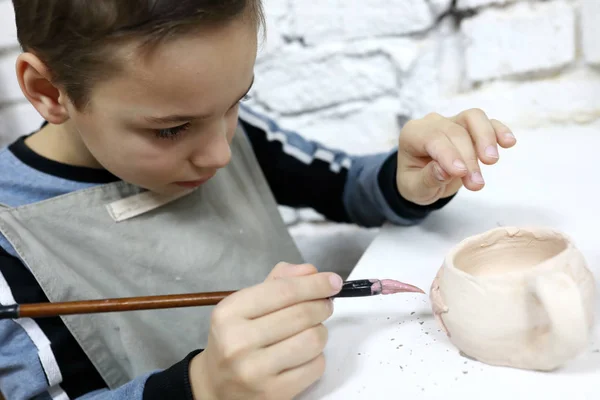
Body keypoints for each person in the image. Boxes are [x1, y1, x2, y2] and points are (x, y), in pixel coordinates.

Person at [0, 1, 516, 399]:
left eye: (236, 102)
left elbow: (341, 187)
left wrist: (406, 181)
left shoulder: (215, 123)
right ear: (48, 91)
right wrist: (199, 388)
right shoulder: (12, 242)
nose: (222, 152)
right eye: (172, 130)